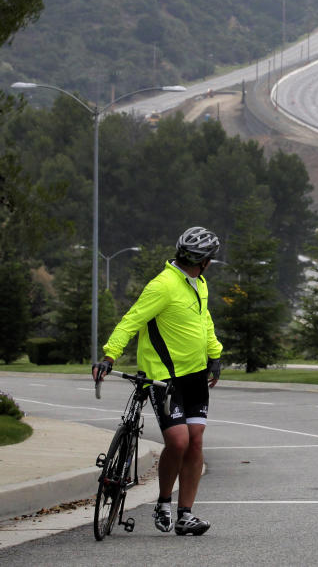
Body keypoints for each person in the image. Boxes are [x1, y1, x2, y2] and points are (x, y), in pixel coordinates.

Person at [92, 226, 223, 536]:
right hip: (164, 378)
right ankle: (164, 502)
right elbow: (131, 320)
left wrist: (215, 354)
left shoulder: (198, 284)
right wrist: (110, 355)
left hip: (195, 376)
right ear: (202, 260)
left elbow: (204, 321)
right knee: (178, 441)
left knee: (196, 441)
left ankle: (185, 515)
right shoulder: (163, 285)